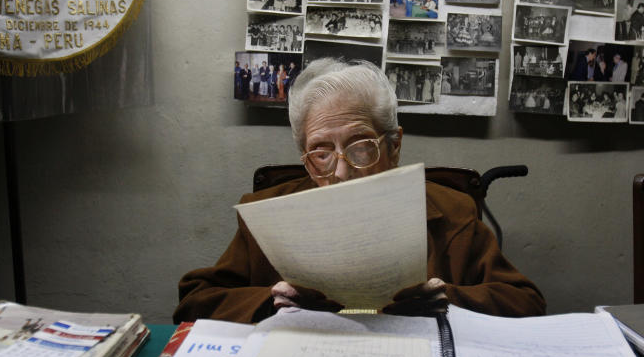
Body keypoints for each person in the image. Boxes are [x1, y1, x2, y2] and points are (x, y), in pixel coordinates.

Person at [174, 59, 546, 323]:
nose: (341, 171)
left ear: (394, 146)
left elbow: (525, 302)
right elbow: (195, 301)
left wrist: (450, 298)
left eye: (361, 146)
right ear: (305, 157)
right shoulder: (266, 213)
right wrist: (268, 300)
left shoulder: (452, 211)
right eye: (320, 152)